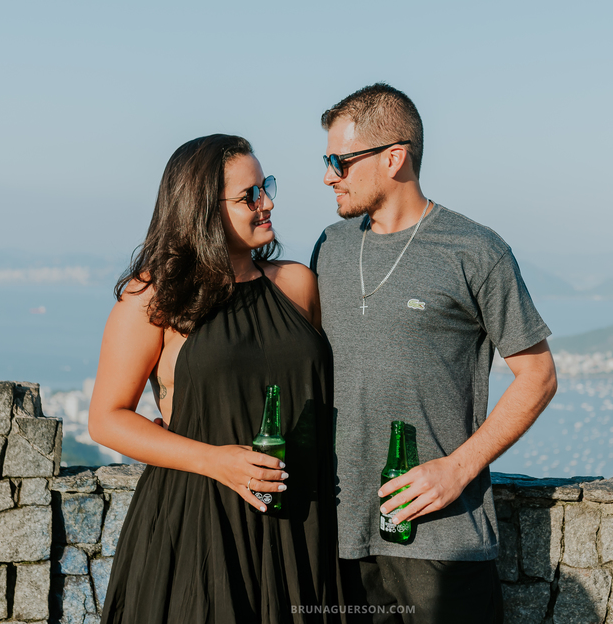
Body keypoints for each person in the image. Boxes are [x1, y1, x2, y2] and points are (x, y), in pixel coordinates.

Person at [310, 85, 558, 624]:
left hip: (443, 539)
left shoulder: (475, 250)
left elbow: (537, 375)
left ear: (393, 157)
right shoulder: (329, 247)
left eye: (340, 161)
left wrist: (457, 469)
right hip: (341, 535)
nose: (329, 175)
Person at [91, 134, 345, 624]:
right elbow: (106, 419)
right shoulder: (151, 297)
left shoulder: (297, 283)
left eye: (265, 187)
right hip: (198, 522)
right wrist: (216, 461)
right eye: (248, 196)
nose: (266, 202)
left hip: (301, 524)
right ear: (203, 209)